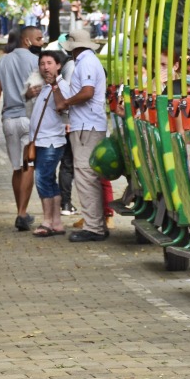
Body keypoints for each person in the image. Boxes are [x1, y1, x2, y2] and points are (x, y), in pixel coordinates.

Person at [53, 25, 109, 242]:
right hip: (88, 124)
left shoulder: (86, 62)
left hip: (87, 126)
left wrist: (66, 102)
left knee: (86, 176)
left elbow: (87, 92)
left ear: (73, 47)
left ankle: (94, 227)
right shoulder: (88, 61)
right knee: (89, 175)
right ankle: (96, 224)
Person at [0, 27, 41, 231]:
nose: (41, 42)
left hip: (8, 120)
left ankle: (21, 212)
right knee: (29, 165)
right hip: (28, 118)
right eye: (38, 38)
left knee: (17, 167)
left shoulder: (3, 61)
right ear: (26, 40)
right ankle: (22, 213)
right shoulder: (36, 61)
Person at [25, 51, 70, 235]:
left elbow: (63, 106)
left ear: (58, 65)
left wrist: (54, 87)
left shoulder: (61, 85)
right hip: (41, 140)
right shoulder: (44, 86)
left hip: (51, 141)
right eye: (42, 63)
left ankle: (47, 221)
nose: (45, 67)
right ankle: (56, 222)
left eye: (49, 63)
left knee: (42, 179)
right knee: (49, 180)